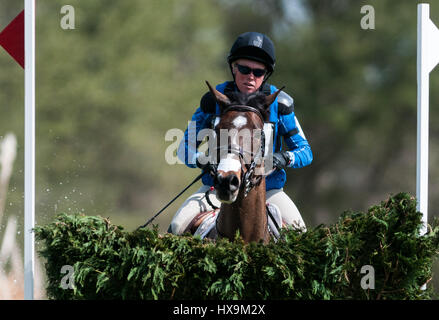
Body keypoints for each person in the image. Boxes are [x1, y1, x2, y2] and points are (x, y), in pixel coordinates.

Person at [169, 31, 313, 235]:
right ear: (233, 68)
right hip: (215, 188)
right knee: (176, 227)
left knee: (301, 235)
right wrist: (202, 159)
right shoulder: (212, 102)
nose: (251, 77)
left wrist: (282, 158)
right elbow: (183, 148)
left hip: (268, 191)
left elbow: (305, 151)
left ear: (266, 75)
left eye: (258, 72)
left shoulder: (280, 106)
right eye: (244, 69)